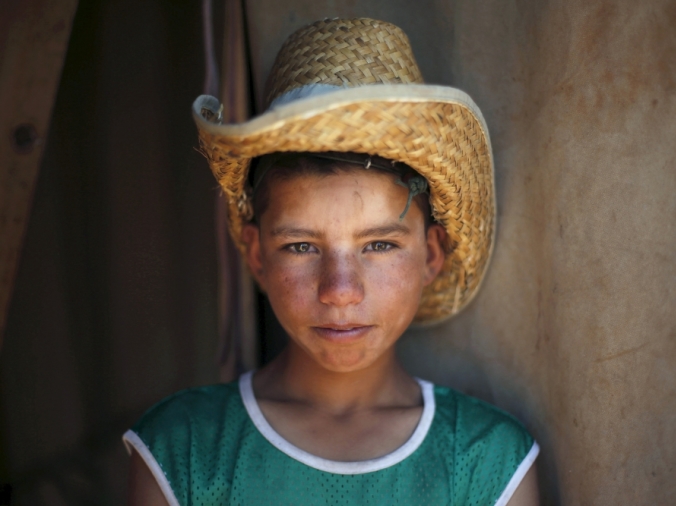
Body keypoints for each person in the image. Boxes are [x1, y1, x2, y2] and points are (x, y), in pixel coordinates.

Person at [124, 18, 540, 505]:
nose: (340, 290)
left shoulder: (486, 461)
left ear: (431, 254)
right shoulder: (184, 451)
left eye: (379, 245)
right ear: (257, 254)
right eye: (301, 246)